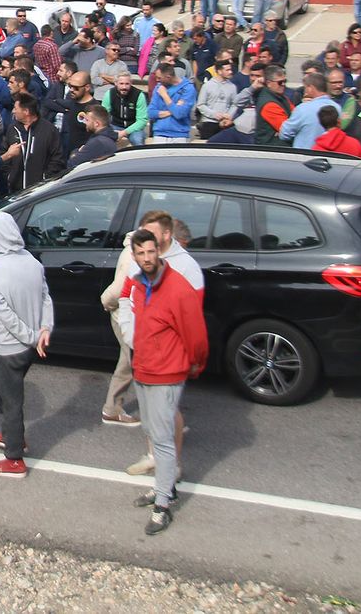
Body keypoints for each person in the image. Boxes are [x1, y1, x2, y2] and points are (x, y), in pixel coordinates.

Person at [115, 227, 208, 535]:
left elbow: (196, 334)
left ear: (159, 251)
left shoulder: (178, 288)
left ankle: (163, 505)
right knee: (152, 432)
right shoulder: (138, 283)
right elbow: (127, 309)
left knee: (164, 438)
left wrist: (194, 363)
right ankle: (163, 488)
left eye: (150, 251)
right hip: (144, 368)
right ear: (134, 255)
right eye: (140, 253)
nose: (146, 258)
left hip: (167, 372)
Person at [0, 212, 54, 481]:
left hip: (10, 346)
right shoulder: (32, 262)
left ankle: (14, 457)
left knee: (9, 401)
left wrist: (30, 336)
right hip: (33, 346)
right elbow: (46, 297)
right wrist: (44, 330)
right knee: (13, 396)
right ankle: (13, 436)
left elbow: (5, 313)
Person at [279, 71, 339, 149]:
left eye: (305, 87)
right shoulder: (337, 107)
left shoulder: (302, 109)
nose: (305, 91)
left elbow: (284, 134)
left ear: (311, 88)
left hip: (305, 154)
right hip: (330, 153)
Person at [146, 64, 195, 144]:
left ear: (168, 77)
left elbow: (180, 114)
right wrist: (173, 110)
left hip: (180, 135)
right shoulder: (158, 88)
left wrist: (165, 95)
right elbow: (151, 112)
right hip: (160, 133)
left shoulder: (188, 89)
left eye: (159, 78)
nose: (157, 80)